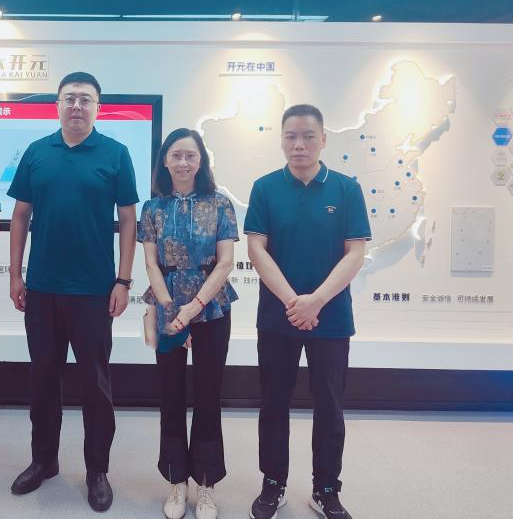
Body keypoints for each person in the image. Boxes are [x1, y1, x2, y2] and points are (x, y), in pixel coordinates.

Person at [7, 71, 139, 512]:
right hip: (42, 288)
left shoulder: (115, 154)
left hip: (94, 291)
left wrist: (123, 280)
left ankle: (97, 469)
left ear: (97, 107)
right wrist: (15, 275)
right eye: (69, 98)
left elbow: (128, 219)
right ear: (58, 105)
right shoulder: (37, 152)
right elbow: (21, 215)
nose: (77, 106)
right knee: (42, 379)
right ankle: (43, 461)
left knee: (95, 385)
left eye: (85, 99)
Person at [245, 104, 371, 520]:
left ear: (323, 140)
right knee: (273, 402)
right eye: (291, 136)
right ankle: (273, 482)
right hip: (277, 317)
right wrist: (293, 302)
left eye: (308, 136)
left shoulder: (346, 189)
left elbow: (355, 253)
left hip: (331, 318)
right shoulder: (265, 188)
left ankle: (326, 487)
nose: (299, 144)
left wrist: (315, 300)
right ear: (281, 140)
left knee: (330, 405)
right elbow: (257, 250)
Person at [138, 128, 239, 520]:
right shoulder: (153, 208)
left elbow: (225, 263)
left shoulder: (220, 204)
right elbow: (151, 263)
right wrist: (170, 309)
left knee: (208, 395)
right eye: (176, 155)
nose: (183, 162)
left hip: (211, 308)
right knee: (171, 395)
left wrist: (192, 309)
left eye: (190, 156)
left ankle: (206, 485)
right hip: (167, 308)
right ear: (165, 160)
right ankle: (176, 480)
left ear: (201, 161)